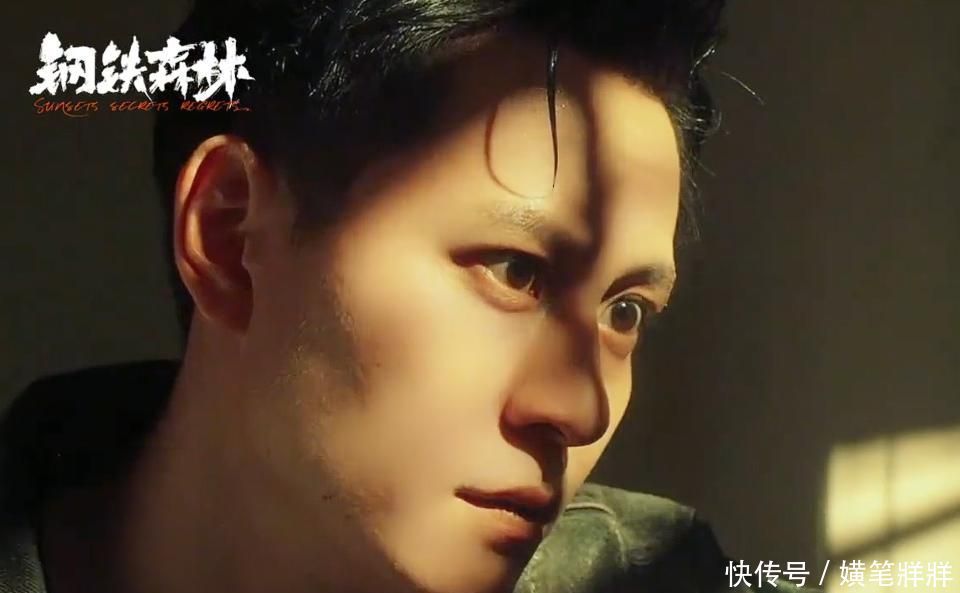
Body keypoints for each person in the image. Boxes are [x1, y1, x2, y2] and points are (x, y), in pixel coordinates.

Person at [1, 1, 816, 592]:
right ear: (230, 236)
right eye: (515, 270)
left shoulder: (658, 572)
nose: (581, 410)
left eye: (624, 309)